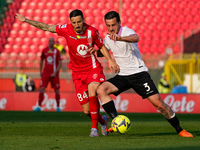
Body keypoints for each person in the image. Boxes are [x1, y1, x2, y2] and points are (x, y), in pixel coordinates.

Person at [15, 9, 119, 137]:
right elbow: (47, 27)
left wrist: (110, 60)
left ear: (83, 20)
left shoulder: (92, 31)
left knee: (93, 92)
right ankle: (103, 121)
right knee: (87, 111)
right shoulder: (65, 29)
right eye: (74, 22)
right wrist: (26, 20)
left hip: (92, 69)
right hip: (76, 72)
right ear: (71, 22)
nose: (77, 25)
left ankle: (94, 129)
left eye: (79, 22)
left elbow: (101, 46)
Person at [96, 11, 193, 137]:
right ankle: (117, 122)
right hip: (123, 75)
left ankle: (180, 129)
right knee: (101, 90)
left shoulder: (126, 31)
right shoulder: (108, 38)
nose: (111, 28)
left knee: (159, 104)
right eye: (108, 25)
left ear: (119, 23)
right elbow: (103, 50)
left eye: (113, 25)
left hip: (138, 74)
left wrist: (121, 38)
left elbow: (136, 38)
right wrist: (96, 51)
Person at [32, 37, 62, 112]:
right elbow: (41, 60)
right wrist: (40, 71)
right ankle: (39, 106)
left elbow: (60, 63)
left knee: (56, 90)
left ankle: (58, 107)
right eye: (50, 41)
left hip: (54, 74)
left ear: (54, 42)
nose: (51, 42)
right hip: (46, 73)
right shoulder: (44, 50)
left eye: (53, 41)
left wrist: (55, 72)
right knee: (42, 88)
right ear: (48, 42)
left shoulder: (57, 51)